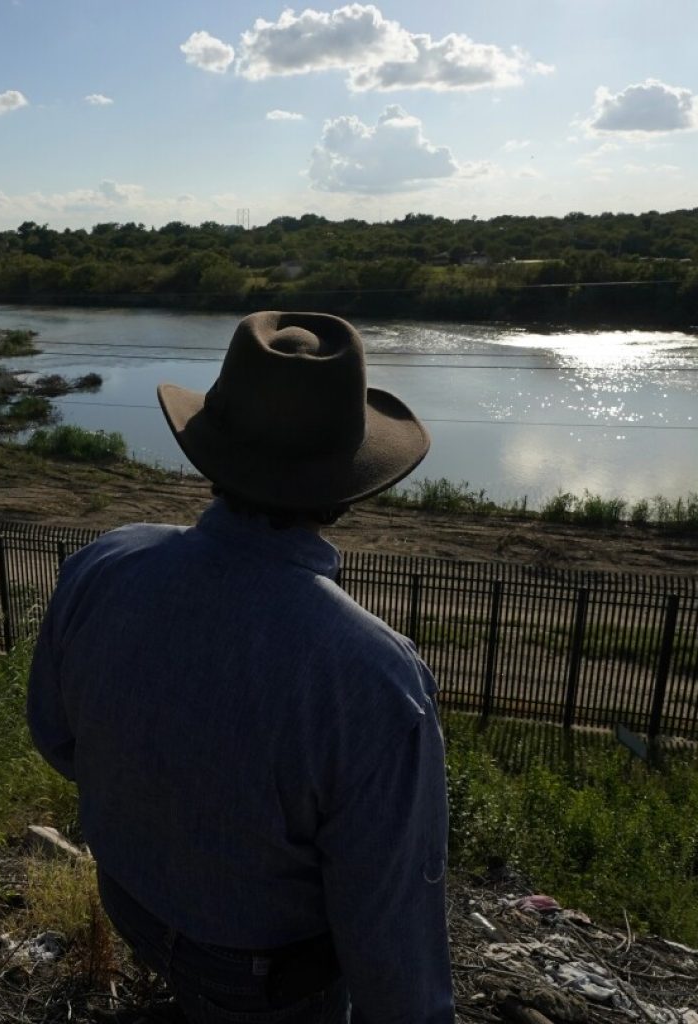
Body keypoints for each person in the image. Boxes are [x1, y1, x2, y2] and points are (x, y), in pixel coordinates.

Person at [28, 311, 454, 1024]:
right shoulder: (371, 676)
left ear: (214, 452)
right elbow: (391, 928)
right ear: (346, 486)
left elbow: (55, 736)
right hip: (262, 977)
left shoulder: (106, 562)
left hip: (127, 899)